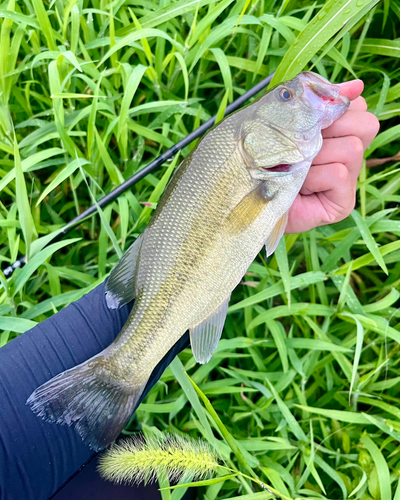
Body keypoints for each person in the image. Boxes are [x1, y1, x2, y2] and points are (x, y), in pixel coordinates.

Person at [0, 80, 379, 500]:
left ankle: (119, 373)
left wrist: (266, 216)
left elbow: (224, 234)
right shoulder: (250, 152)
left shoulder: (258, 160)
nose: (295, 95)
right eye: (287, 96)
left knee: (143, 484)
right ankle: (121, 373)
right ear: (256, 134)